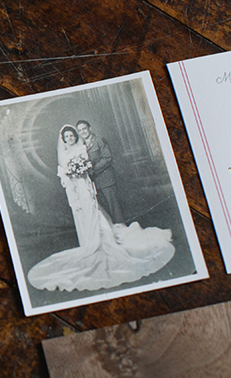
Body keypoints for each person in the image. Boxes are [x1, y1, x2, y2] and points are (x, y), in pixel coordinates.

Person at [27, 125, 175, 292]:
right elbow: (62, 171)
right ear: (63, 139)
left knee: (94, 211)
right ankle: (88, 242)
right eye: (66, 137)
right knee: (81, 214)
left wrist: (82, 170)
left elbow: (89, 165)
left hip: (85, 184)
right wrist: (69, 175)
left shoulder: (82, 147)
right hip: (74, 188)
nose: (69, 138)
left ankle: (101, 239)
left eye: (71, 135)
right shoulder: (63, 153)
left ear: (76, 136)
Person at [76, 119, 124, 223]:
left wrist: (93, 169)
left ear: (90, 128)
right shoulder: (82, 146)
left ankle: (122, 230)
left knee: (114, 208)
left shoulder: (99, 140)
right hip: (94, 183)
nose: (83, 132)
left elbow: (108, 158)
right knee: (104, 211)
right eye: (80, 130)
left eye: (84, 128)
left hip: (106, 180)